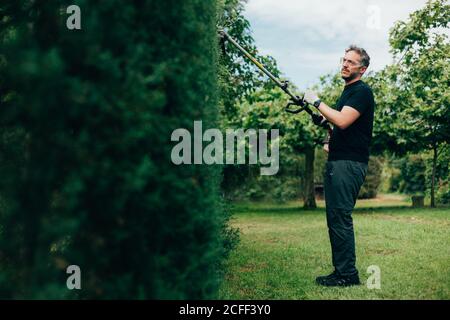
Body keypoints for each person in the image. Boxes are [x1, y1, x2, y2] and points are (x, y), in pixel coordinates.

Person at [303, 45, 375, 287]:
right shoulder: (348, 92)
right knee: (335, 218)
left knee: (340, 217)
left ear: (362, 69)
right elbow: (337, 124)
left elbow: (343, 121)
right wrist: (324, 122)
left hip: (348, 164)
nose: (344, 64)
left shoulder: (362, 92)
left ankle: (347, 275)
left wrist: (317, 102)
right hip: (340, 161)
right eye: (344, 60)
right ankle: (341, 271)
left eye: (351, 62)